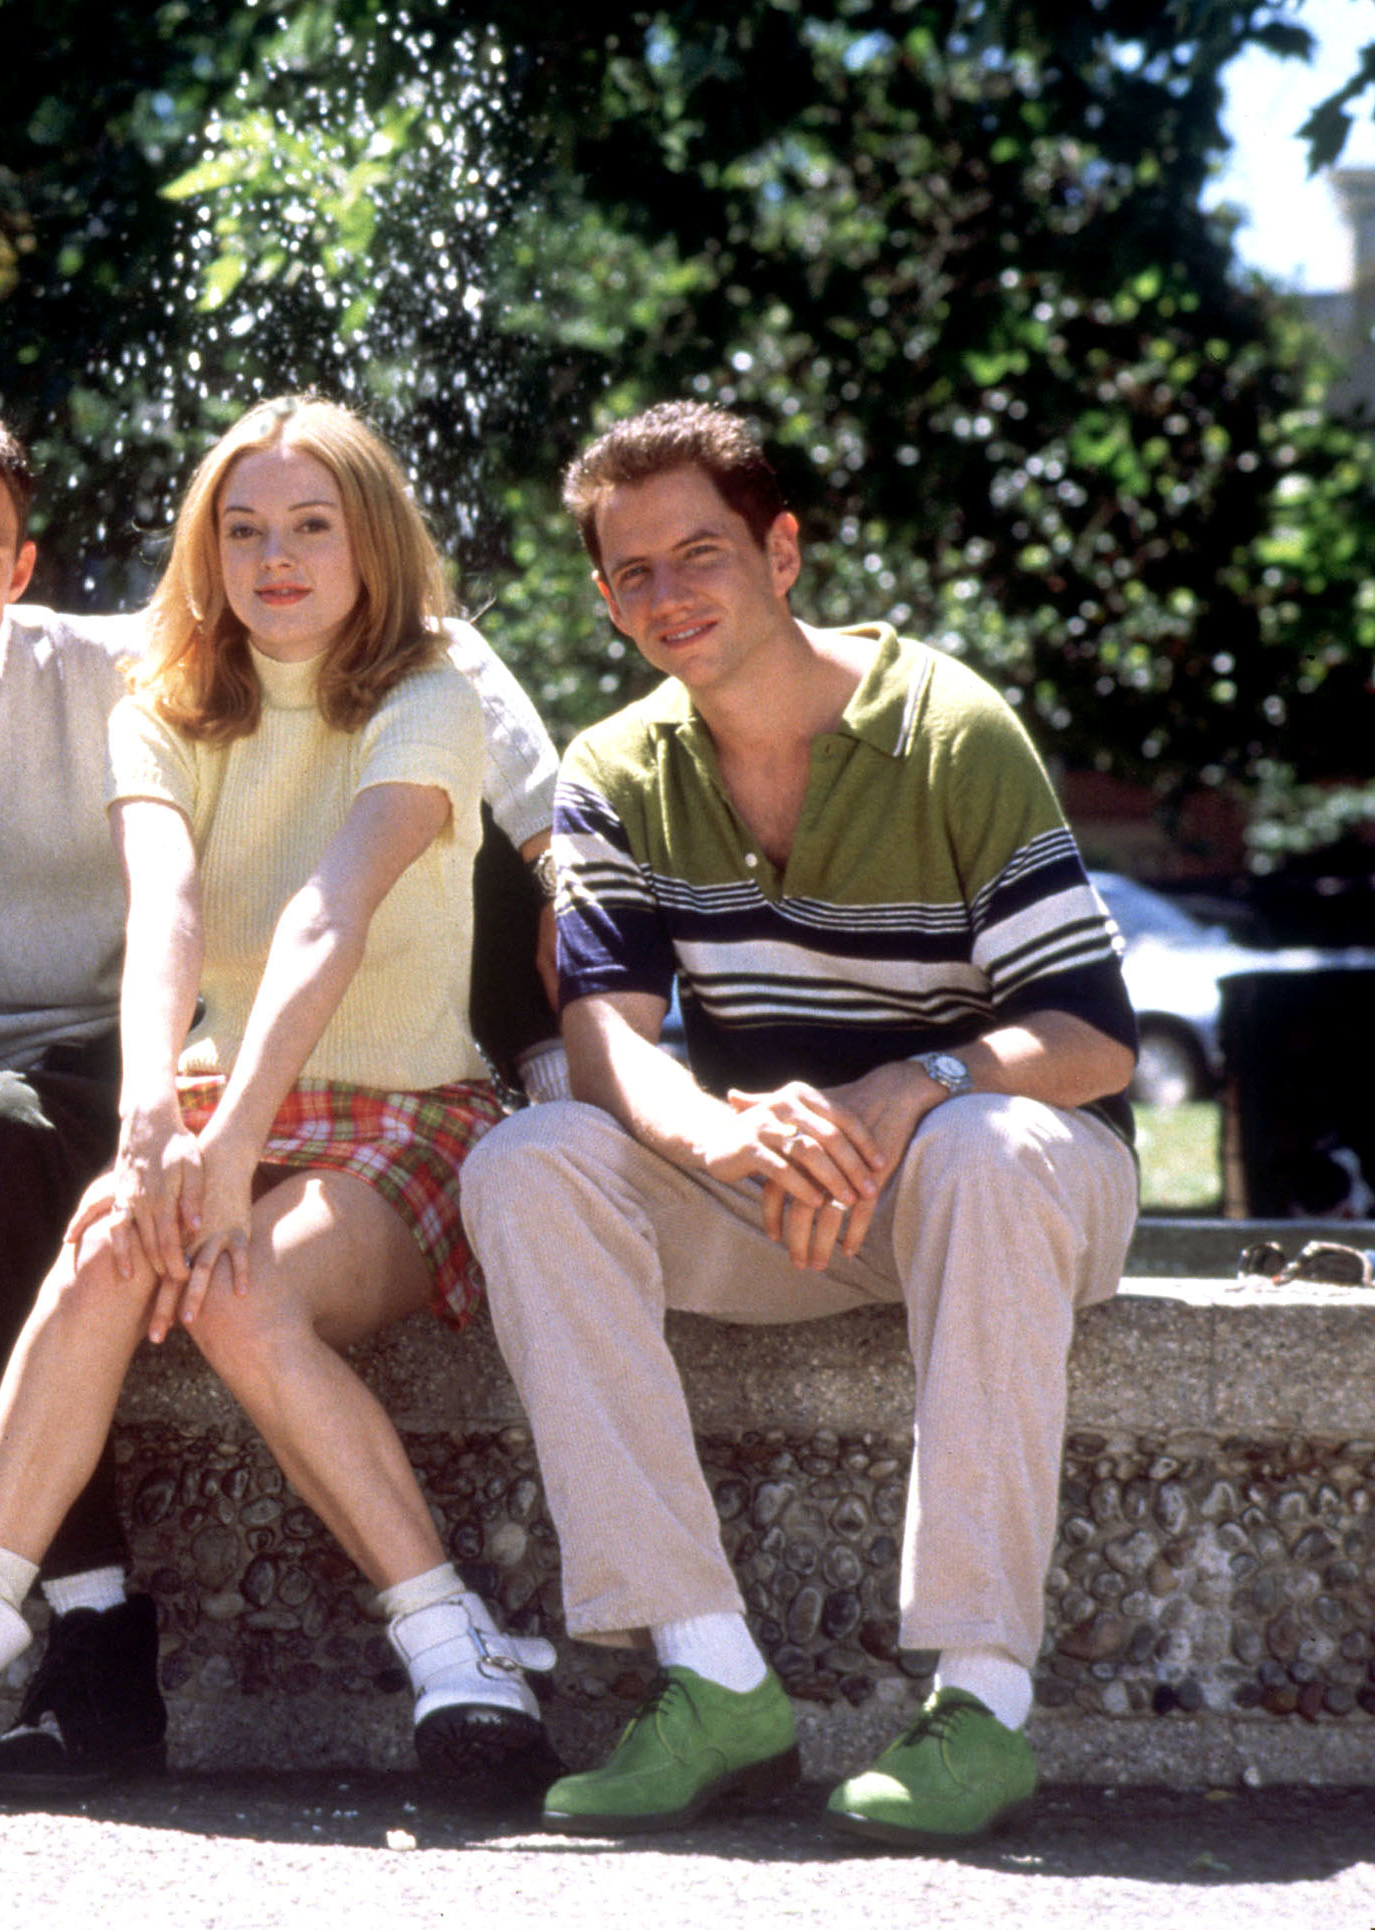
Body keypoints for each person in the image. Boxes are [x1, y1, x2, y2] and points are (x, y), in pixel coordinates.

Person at [0, 399, 564, 1795]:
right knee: (109, 1236)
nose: (276, 556)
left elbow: (328, 915)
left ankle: (453, 1642)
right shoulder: (173, 702)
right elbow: (167, 910)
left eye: (313, 525)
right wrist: (150, 1129)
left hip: (393, 1115)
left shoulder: (421, 696)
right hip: (215, 1092)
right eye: (242, 528)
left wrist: (562, 853)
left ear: (371, 541)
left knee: (238, 1288)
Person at [458, 401, 1140, 1846]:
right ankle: (708, 1678)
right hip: (788, 1193)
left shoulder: (947, 728)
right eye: (631, 572)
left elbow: (1093, 1041)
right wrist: (718, 1139)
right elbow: (602, 1043)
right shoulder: (613, 770)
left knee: (984, 1144)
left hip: (995, 1184)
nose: (666, 595)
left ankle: (979, 1700)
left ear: (782, 549)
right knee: (527, 1161)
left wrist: (910, 1087)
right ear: (603, 595)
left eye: (699, 551)